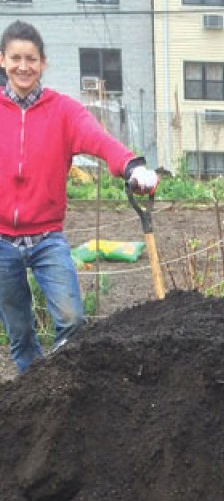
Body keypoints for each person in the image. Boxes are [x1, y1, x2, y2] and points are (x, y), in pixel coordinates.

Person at [0, 20, 159, 373]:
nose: (23, 66)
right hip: (2, 242)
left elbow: (99, 140)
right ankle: (34, 395)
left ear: (43, 63)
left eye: (31, 59)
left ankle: (61, 384)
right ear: (2, 60)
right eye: (15, 58)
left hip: (46, 238)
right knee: (19, 332)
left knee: (72, 320)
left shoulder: (64, 111)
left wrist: (131, 167)